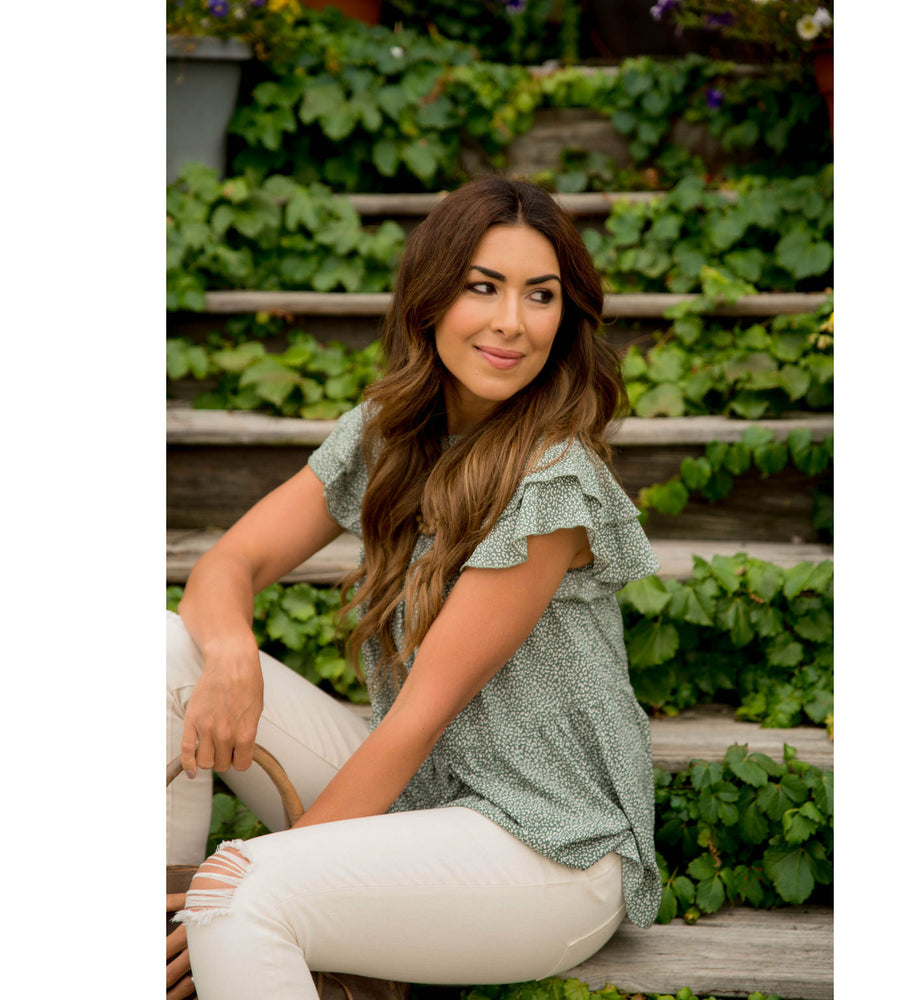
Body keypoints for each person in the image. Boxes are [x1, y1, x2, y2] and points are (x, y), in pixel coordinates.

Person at [166, 176, 662, 1000]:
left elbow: (416, 721)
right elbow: (229, 564)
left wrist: (242, 883)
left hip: (548, 850)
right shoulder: (389, 435)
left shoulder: (552, 485)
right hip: (426, 796)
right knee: (161, 651)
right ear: (429, 300)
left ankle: (199, 925)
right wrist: (230, 652)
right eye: (483, 287)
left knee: (238, 896)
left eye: (540, 295)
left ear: (565, 318)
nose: (512, 322)